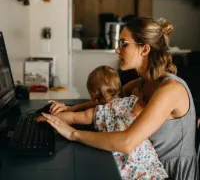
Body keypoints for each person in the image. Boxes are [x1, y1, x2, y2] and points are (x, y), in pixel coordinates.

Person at [41, 17, 199, 179]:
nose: (117, 50)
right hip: (143, 167)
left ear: (144, 50)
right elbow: (110, 101)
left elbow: (127, 143)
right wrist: (71, 108)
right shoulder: (142, 83)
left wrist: (73, 134)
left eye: (123, 44)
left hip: (168, 172)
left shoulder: (170, 90)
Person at [37, 65, 168, 180]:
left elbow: (72, 118)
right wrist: (140, 101)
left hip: (125, 170)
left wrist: (46, 118)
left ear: (93, 95)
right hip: (148, 167)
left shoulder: (97, 112)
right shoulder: (133, 102)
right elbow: (140, 113)